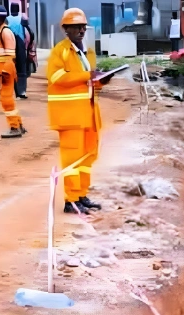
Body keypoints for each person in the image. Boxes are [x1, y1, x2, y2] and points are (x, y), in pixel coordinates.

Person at [47, 8, 112, 215]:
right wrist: (87, 75)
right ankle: (71, 200)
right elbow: (56, 77)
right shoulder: (60, 51)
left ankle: (81, 195)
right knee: (72, 159)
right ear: (66, 29)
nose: (81, 30)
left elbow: (88, 83)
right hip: (69, 116)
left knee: (86, 157)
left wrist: (101, 80)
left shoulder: (88, 52)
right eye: (76, 27)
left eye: (83, 27)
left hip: (88, 114)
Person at [0, 5, 25, 139]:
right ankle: (18, 125)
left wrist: (5, 72)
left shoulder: (5, 32)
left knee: (6, 100)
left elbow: (10, 56)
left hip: (6, 73)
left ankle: (14, 128)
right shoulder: (0, 31)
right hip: (3, 73)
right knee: (8, 100)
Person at [20, 14, 37, 96]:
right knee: (25, 72)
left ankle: (21, 90)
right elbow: (32, 43)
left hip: (23, 52)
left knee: (22, 72)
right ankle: (23, 89)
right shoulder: (29, 30)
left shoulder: (22, 31)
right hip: (27, 52)